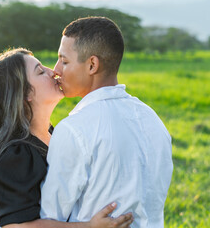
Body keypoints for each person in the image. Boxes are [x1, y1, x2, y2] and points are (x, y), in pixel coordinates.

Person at [0, 48, 134, 228]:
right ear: (25, 94)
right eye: (40, 71)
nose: (53, 72)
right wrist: (88, 227)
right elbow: (17, 226)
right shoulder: (17, 155)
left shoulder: (57, 134)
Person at [40, 17, 173, 227]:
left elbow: (49, 216)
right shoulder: (153, 121)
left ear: (92, 65)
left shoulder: (74, 129)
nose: (56, 70)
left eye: (64, 61)